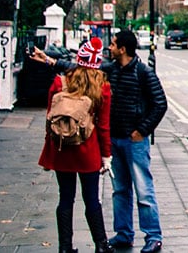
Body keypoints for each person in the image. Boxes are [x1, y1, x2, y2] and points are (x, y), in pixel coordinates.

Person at [35, 30, 168, 253]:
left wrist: (142, 130)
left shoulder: (144, 73)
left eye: (114, 44)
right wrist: (50, 60)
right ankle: (121, 235)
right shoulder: (109, 72)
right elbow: (80, 67)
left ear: (123, 49)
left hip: (134, 140)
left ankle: (153, 236)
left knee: (143, 190)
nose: (110, 47)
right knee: (119, 191)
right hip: (112, 140)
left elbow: (160, 104)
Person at [38, 37, 115, 253]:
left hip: (61, 149)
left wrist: (48, 151)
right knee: (92, 199)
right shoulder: (103, 87)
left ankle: (65, 248)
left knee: (65, 198)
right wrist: (106, 156)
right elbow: (103, 126)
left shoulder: (60, 82)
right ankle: (101, 245)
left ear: (78, 60)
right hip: (87, 151)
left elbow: (49, 117)